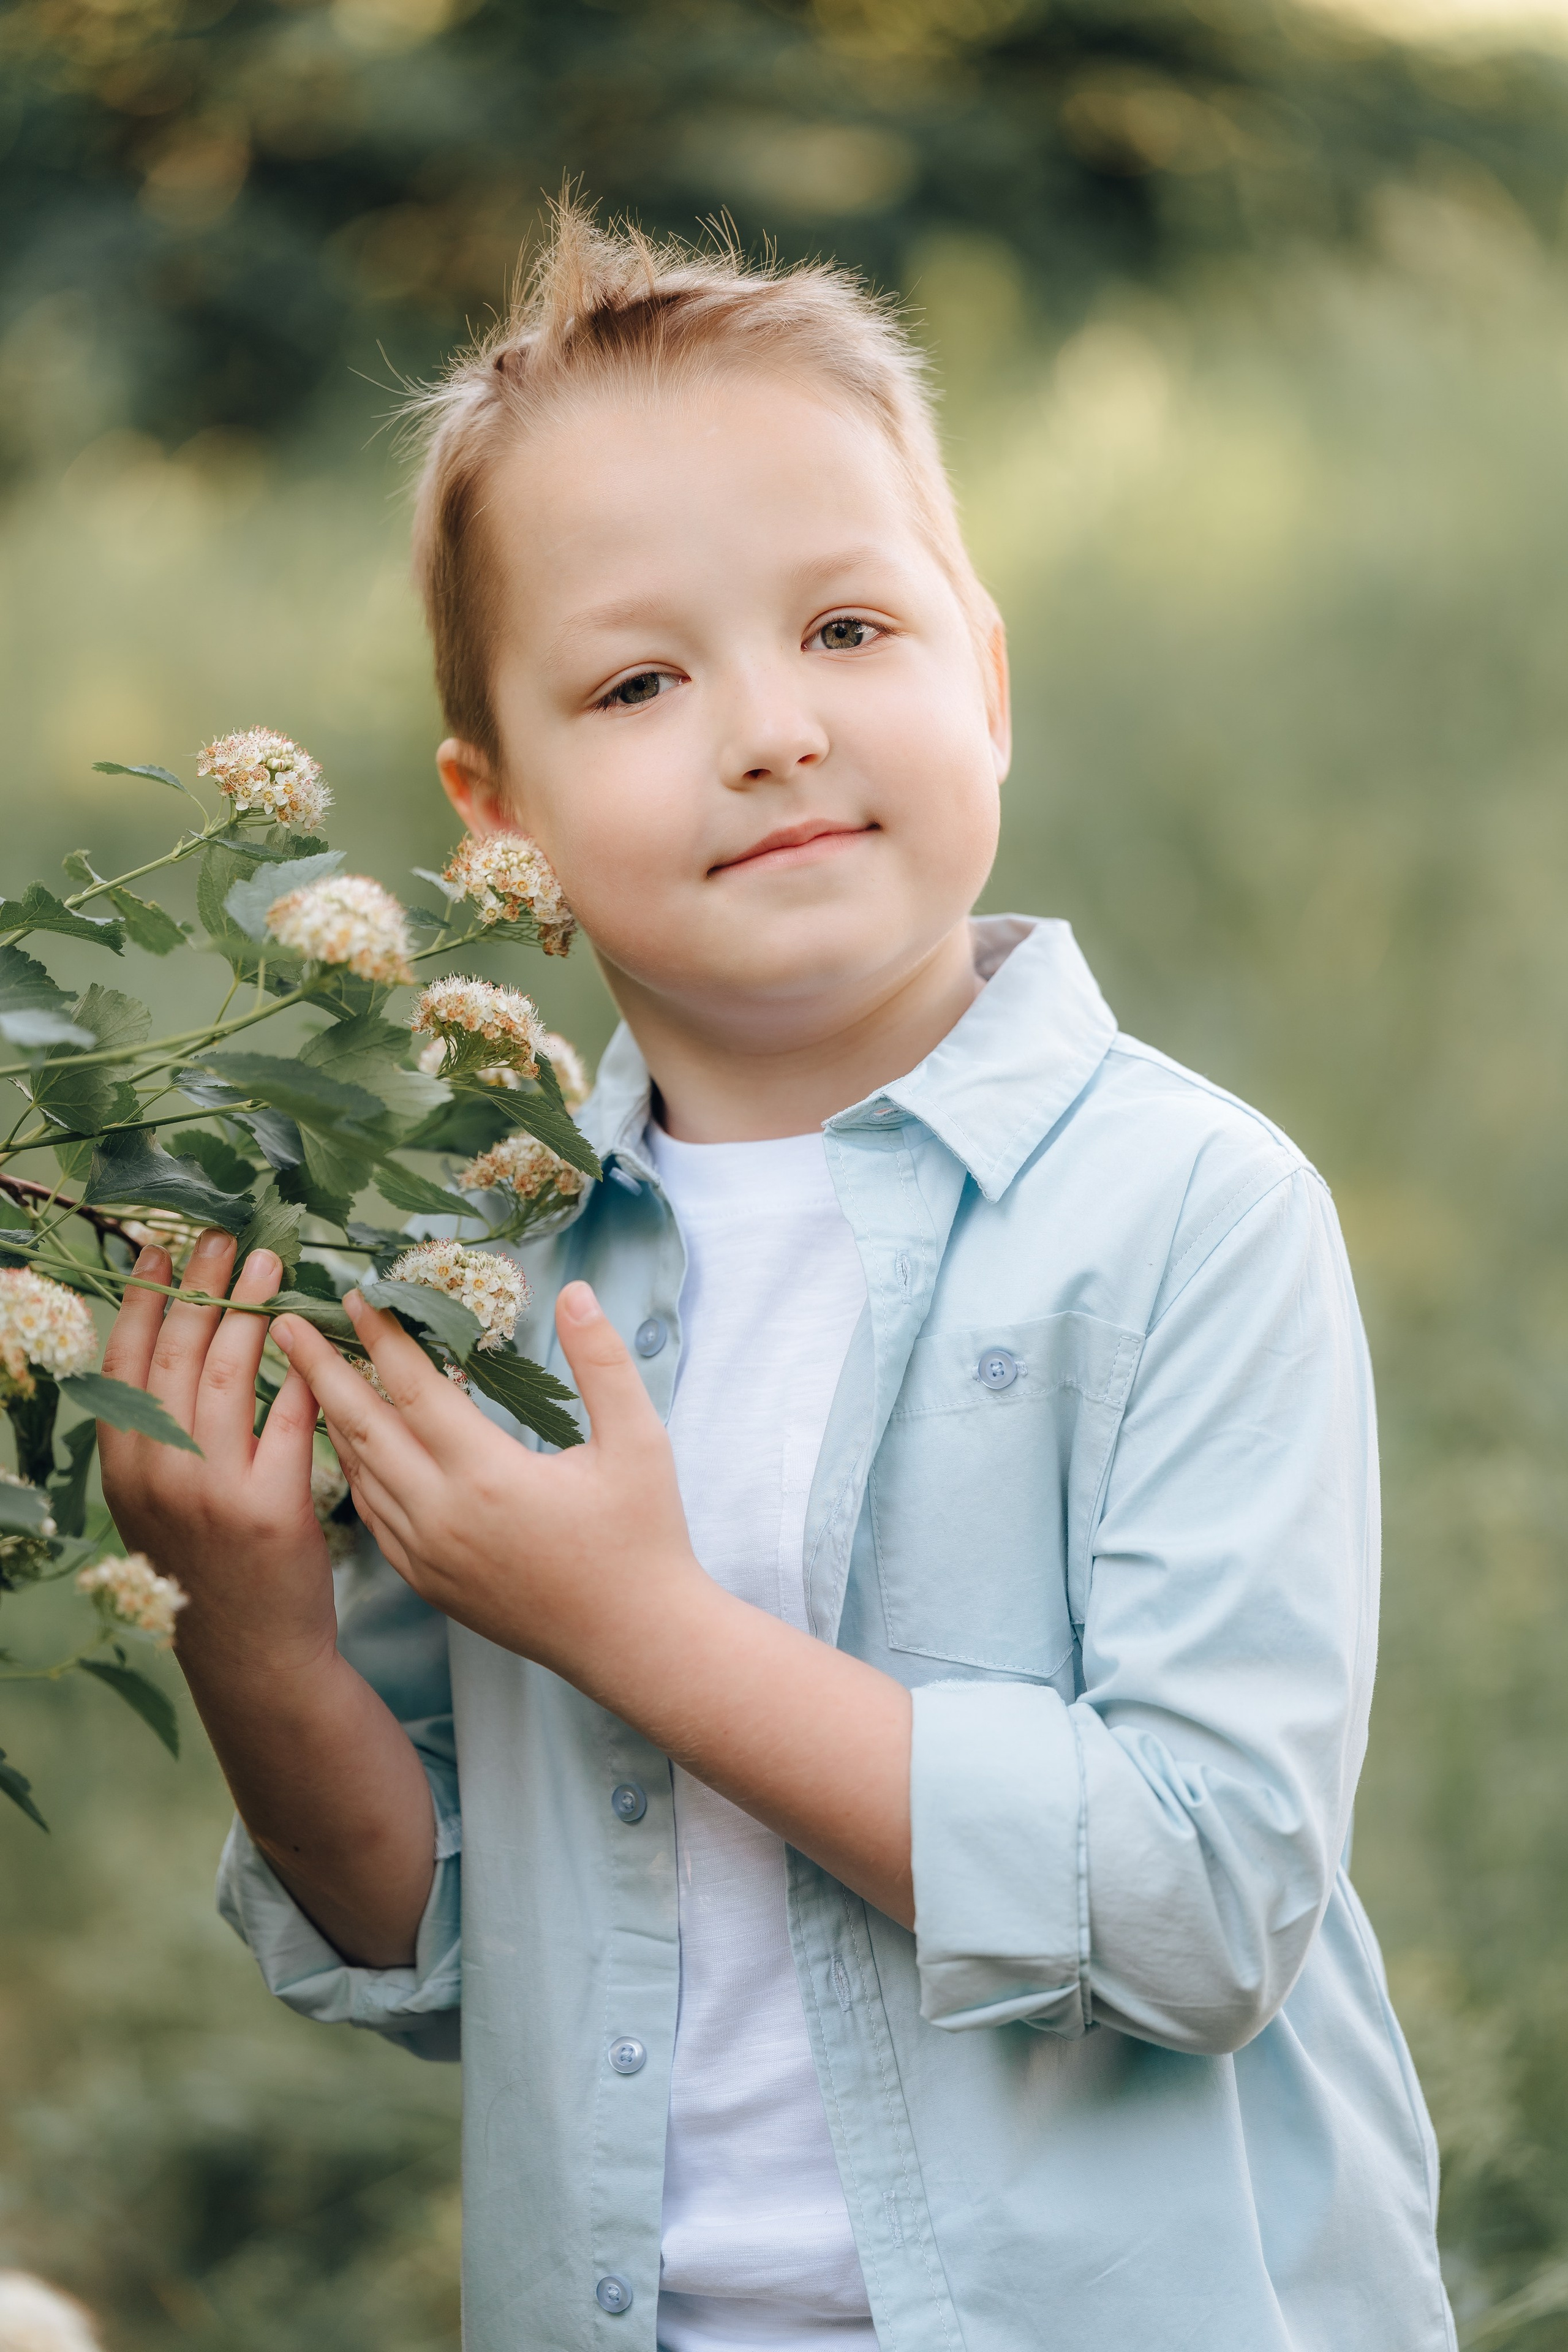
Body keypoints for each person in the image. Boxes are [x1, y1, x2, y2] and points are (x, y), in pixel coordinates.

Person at [99, 206, 1456, 2351]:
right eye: (642, 681)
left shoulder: (1193, 1212)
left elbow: (1205, 1904)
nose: (772, 731)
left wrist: (632, 1626)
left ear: (984, 677)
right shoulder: (488, 1274)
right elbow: (436, 1937)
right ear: (499, 829)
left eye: (848, 629)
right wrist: (258, 1639)